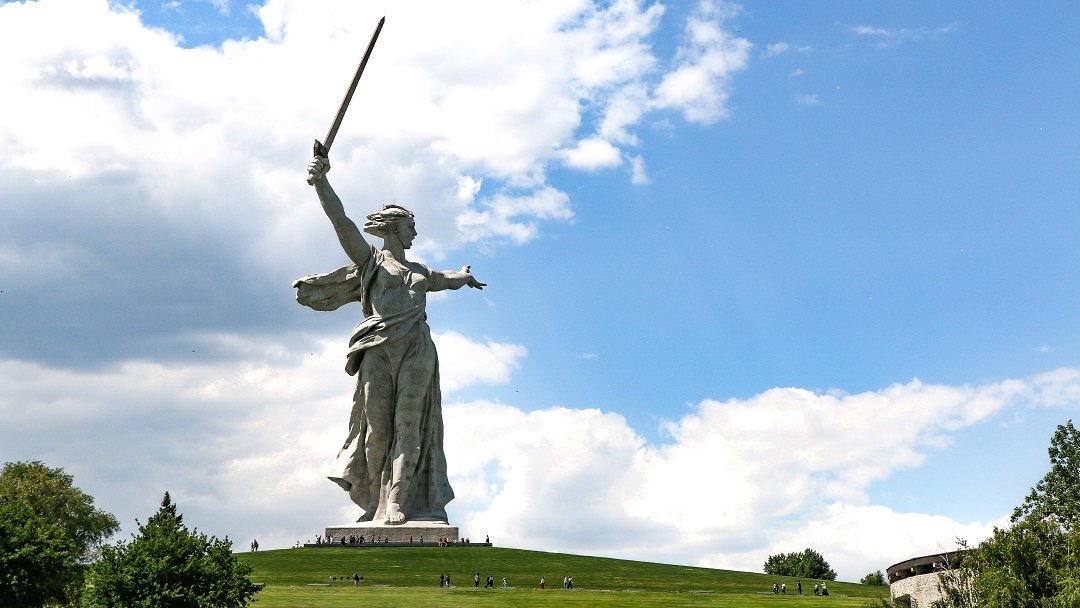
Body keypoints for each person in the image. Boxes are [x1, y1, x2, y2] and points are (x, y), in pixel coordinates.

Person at [298, 154, 484, 525]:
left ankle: (396, 500)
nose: (415, 234)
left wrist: (464, 276)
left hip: (416, 348)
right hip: (378, 348)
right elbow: (341, 222)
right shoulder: (371, 261)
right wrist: (321, 183)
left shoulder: (419, 270)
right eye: (411, 227)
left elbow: (446, 279)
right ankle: (374, 501)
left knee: (409, 425)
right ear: (395, 229)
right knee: (377, 429)